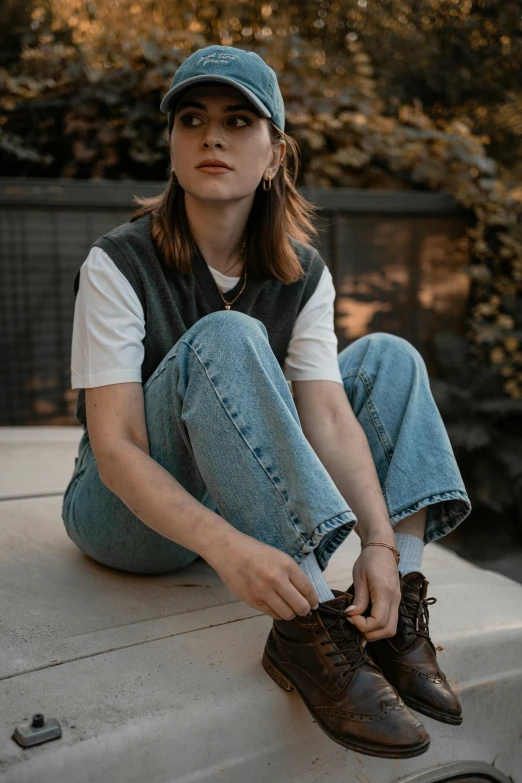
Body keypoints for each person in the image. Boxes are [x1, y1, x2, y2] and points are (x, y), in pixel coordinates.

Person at [62, 45, 472, 759]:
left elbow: (330, 415)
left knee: (390, 358)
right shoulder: (117, 262)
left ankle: (392, 604)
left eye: (238, 120)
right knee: (227, 336)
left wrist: (377, 541)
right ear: (172, 142)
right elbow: (117, 448)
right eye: (191, 119)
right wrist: (228, 548)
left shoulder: (303, 273)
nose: (211, 136)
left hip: (228, 493)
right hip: (119, 515)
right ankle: (311, 626)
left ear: (276, 153)